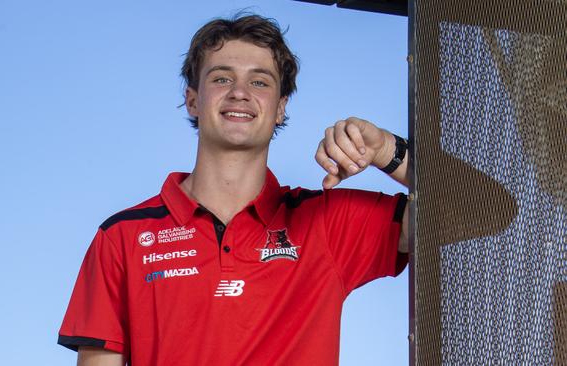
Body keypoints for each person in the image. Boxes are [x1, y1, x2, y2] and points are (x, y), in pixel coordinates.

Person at [58, 13, 410, 366]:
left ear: (280, 108)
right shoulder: (122, 236)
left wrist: (385, 150)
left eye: (259, 82)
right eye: (222, 78)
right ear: (193, 100)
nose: (239, 93)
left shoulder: (329, 223)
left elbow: (460, 207)